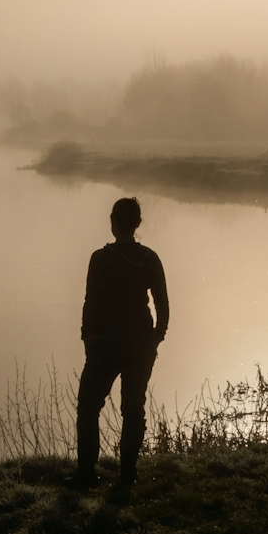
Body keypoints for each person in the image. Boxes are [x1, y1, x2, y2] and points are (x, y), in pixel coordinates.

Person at [75, 196, 169, 488]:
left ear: (112, 222)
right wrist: (155, 340)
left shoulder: (100, 258)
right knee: (133, 409)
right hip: (139, 343)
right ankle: (128, 476)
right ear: (138, 224)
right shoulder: (150, 258)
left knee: (89, 407)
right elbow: (163, 307)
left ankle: (87, 474)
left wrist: (87, 338)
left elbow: (90, 303)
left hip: (105, 343)